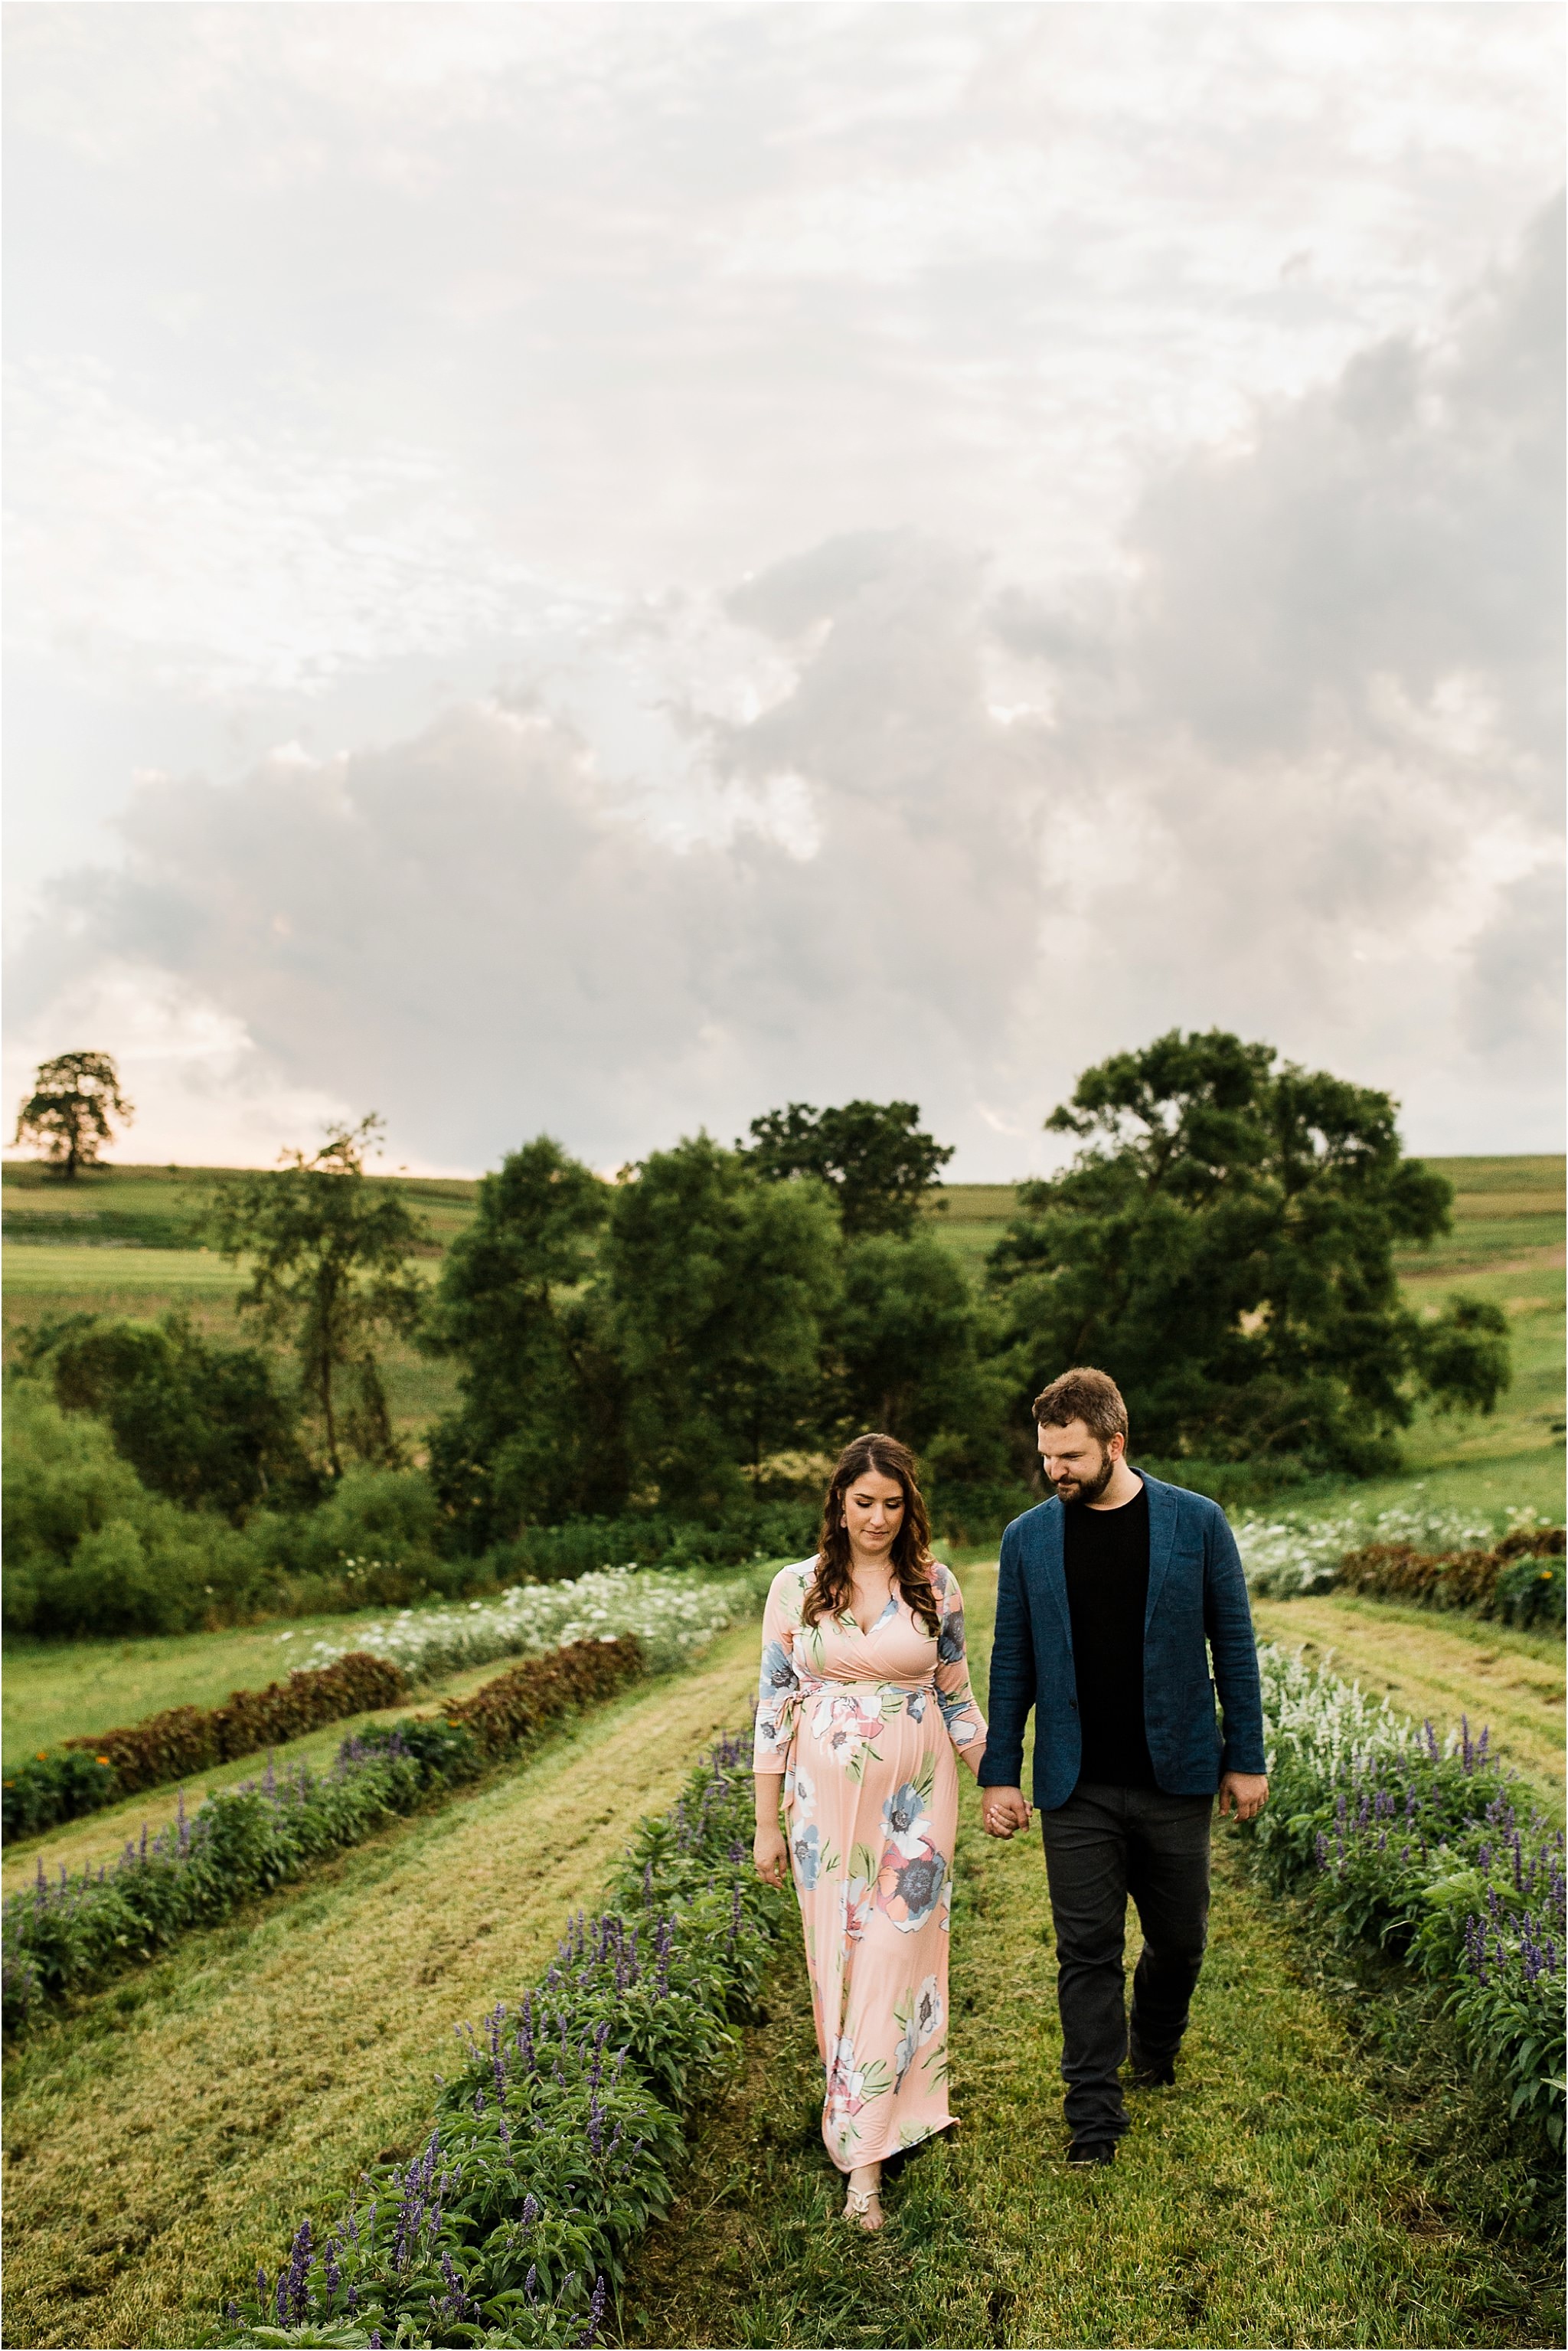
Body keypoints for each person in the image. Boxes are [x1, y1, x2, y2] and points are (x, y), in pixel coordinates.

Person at [979, 1366, 1267, 2166]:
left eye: (1069, 1455)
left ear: (1115, 1442)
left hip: (1175, 1772)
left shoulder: (1195, 1524)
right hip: (1076, 1783)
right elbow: (1012, 1663)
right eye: (1045, 1456)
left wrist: (1243, 1756)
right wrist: (1001, 1772)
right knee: (1086, 1952)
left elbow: (1233, 1646)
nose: (1055, 1470)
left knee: (1178, 1941)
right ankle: (1093, 2120)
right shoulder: (1026, 1538)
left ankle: (1156, 2040)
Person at [753, 1433, 987, 2231]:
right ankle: (883, 2113)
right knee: (840, 1969)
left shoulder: (934, 1585)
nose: (877, 1518)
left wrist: (1003, 1778)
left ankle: (863, 2165)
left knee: (893, 1958)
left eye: (892, 1503)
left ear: (908, 1505)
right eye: (863, 1502)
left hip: (919, 1802)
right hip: (821, 1814)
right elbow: (772, 1708)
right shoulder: (795, 1588)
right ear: (837, 1503)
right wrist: (764, 1826)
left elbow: (957, 1698)